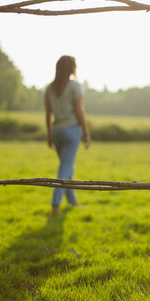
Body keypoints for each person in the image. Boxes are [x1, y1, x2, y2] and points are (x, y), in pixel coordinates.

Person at [45, 55, 91, 216]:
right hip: (71, 131)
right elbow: (80, 111)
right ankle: (55, 206)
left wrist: (49, 136)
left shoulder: (49, 88)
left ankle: (72, 201)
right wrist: (86, 133)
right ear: (72, 68)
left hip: (57, 132)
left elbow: (48, 115)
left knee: (66, 168)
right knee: (65, 169)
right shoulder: (74, 86)